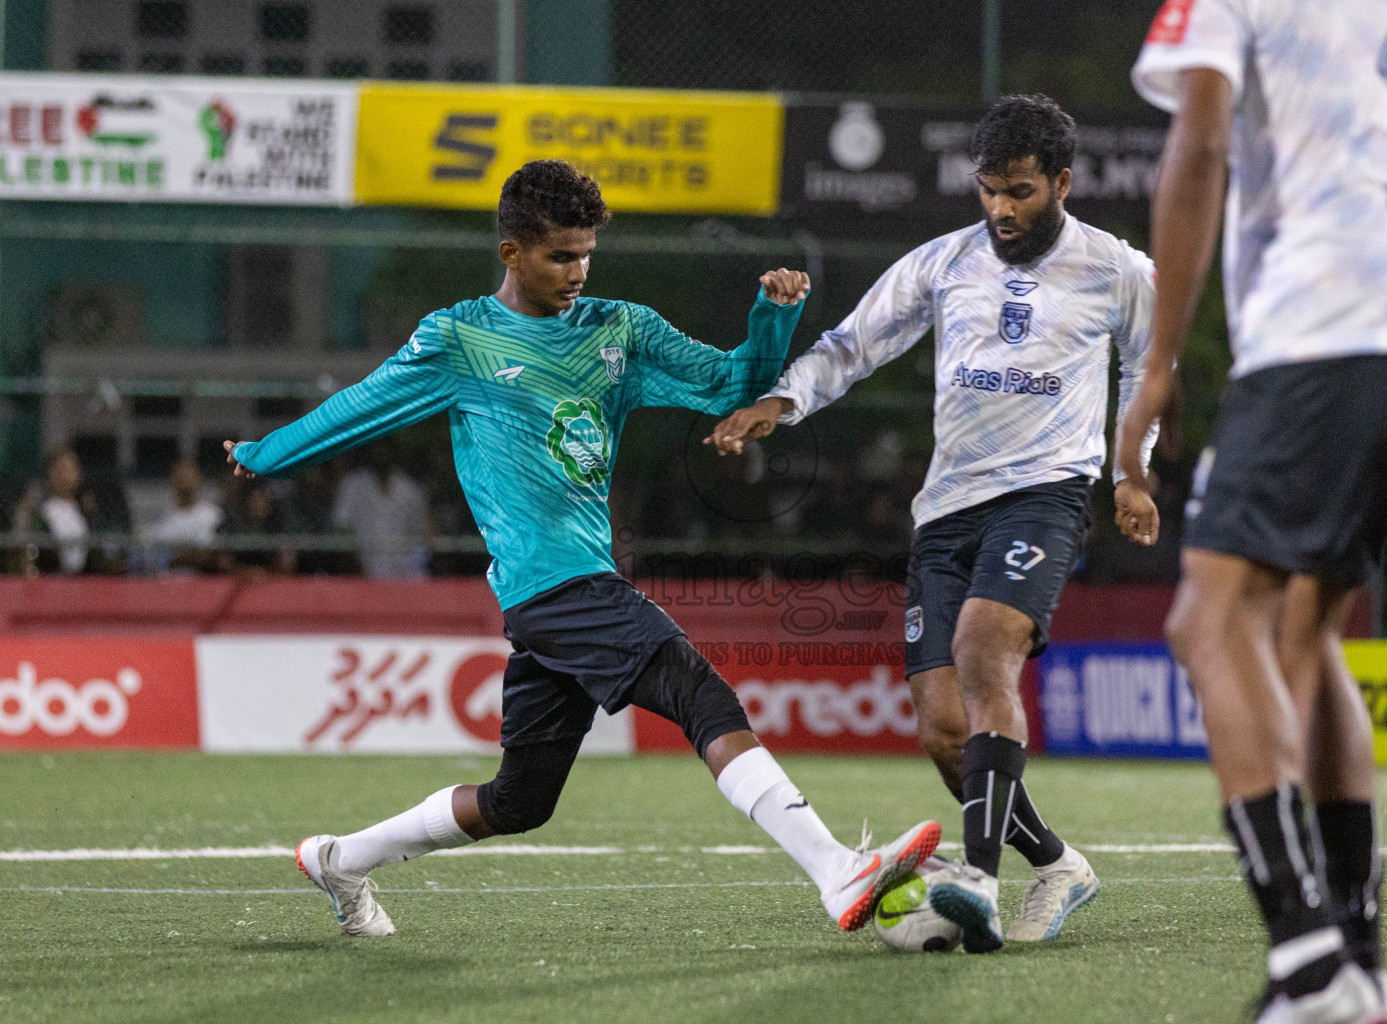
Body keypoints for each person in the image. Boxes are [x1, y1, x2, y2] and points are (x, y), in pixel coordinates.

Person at [223, 159, 940, 938]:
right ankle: (836, 870)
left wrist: (769, 320)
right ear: (512, 253)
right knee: (700, 693)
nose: (578, 270)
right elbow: (361, 407)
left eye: (586, 253)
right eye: (560, 255)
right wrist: (268, 453)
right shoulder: (460, 337)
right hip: (549, 586)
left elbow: (731, 385)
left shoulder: (619, 328)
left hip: (574, 586)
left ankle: (341, 857)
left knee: (517, 803)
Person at [1118, 3, 1387, 1021]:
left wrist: (1159, 363)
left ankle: (1310, 968)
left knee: (1210, 619)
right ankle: (1359, 960)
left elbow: (1201, 139)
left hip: (1326, 314)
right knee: (1307, 623)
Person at [708, 94, 1160, 952]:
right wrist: (783, 398)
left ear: (1061, 182)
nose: (1002, 210)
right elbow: (855, 342)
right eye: (989, 190)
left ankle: (977, 882)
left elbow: (1149, 369)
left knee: (987, 655)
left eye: (1021, 192)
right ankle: (1058, 865)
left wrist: (1133, 474)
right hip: (947, 509)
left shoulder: (1118, 270)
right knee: (944, 731)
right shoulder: (946, 261)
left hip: (1045, 493)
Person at [331, 444, 431, 579]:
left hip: (406, 573)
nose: (381, 453)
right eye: (377, 447)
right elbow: (341, 527)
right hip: (364, 570)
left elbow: (424, 533)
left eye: (385, 448)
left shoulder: (409, 488)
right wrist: (354, 567)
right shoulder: (353, 485)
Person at [147, 459, 223, 573]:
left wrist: (173, 559)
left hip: (203, 581)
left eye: (190, 476)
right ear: (172, 480)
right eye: (181, 477)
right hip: (167, 583)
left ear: (199, 479)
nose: (185, 481)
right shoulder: (162, 518)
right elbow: (153, 558)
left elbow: (206, 555)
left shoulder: (212, 514)